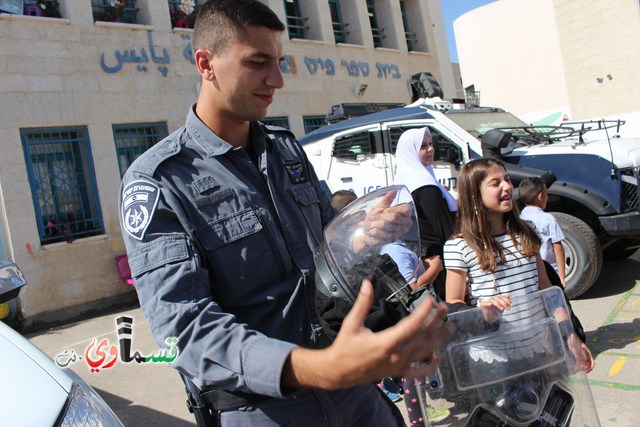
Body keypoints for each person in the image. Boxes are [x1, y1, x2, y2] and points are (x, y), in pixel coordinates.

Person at [118, 1, 452, 426]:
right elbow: (184, 328)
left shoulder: (287, 151)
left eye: (279, 62)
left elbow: (325, 249)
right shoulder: (160, 181)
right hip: (263, 409)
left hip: (354, 392)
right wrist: (318, 368)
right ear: (206, 64)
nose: (276, 80)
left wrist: (364, 234)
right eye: (258, 63)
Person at [443, 158, 594, 373]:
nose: (506, 186)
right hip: (494, 361)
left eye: (506, 179)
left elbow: (547, 290)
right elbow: (454, 304)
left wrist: (570, 334)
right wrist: (483, 312)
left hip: (539, 350)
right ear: (474, 194)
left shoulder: (526, 232)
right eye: (495, 183)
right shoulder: (458, 246)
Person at [393, 127, 457, 300]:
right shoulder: (424, 185)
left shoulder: (406, 181)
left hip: (422, 260)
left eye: (430, 144)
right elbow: (445, 230)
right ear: (411, 151)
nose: (430, 149)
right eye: (422, 146)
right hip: (439, 261)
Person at [518, 177, 567, 287]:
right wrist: (562, 276)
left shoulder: (520, 218)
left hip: (530, 272)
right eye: (546, 193)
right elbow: (558, 247)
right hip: (549, 270)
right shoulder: (548, 218)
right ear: (540, 196)